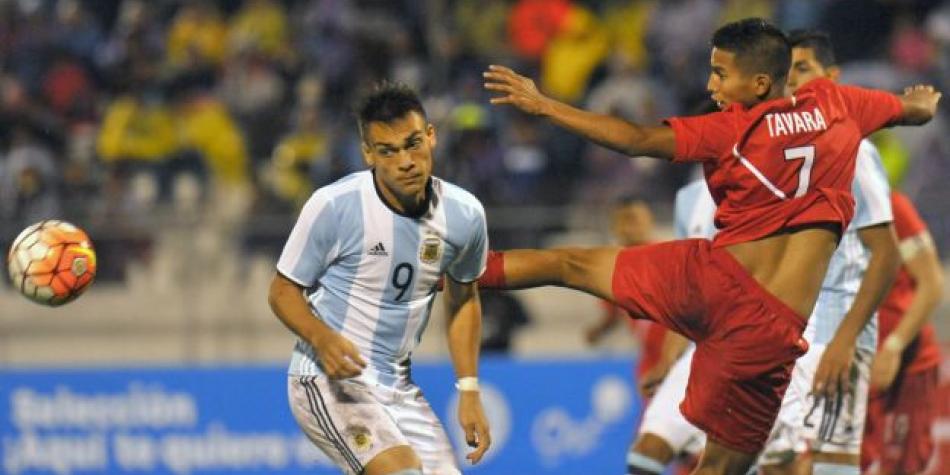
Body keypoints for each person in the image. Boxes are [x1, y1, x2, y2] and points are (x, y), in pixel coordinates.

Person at [481, 17, 939, 473]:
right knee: (721, 469)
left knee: (569, 265)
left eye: (721, 73)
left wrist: (545, 106)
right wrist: (923, 102)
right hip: (771, 335)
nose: (710, 83)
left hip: (712, 282)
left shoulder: (732, 131)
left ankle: (459, 268)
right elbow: (910, 109)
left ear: (759, 82)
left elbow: (636, 140)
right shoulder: (840, 105)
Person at [268, 82, 491, 475]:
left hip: (398, 389)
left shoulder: (464, 215)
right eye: (387, 151)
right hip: (326, 379)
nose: (406, 161)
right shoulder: (335, 205)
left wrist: (469, 389)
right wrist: (322, 338)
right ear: (368, 154)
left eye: (413, 143)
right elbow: (283, 291)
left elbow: (463, 298)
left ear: (432, 136)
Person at [754, 29, 902, 475]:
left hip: (837, 329)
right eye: (787, 72)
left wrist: (845, 341)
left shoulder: (854, 148)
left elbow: (886, 254)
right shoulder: (782, 153)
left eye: (804, 68)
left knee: (830, 464)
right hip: (791, 334)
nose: (794, 81)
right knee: (774, 463)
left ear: (832, 77)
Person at [861, 191, 944, 475]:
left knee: (900, 468)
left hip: (907, 366)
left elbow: (931, 283)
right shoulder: (817, 210)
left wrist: (893, 347)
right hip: (856, 367)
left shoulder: (889, 206)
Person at [584, 194, 669, 386]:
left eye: (635, 220)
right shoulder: (611, 265)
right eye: (624, 221)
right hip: (649, 358)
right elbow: (614, 310)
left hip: (675, 355)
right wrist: (599, 330)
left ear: (649, 221)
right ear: (615, 227)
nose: (630, 227)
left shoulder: (667, 257)